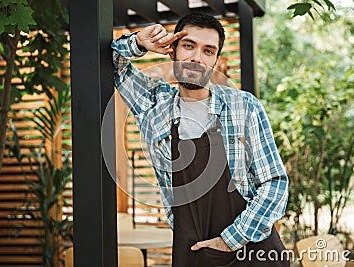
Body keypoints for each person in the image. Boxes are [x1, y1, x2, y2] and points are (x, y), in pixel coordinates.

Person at [111, 12, 290, 267]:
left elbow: (275, 184)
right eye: (188, 46)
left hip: (253, 253)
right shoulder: (153, 104)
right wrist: (139, 43)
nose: (196, 58)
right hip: (192, 253)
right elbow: (108, 61)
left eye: (208, 51)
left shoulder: (244, 106)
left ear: (215, 60)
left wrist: (229, 241)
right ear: (172, 50)